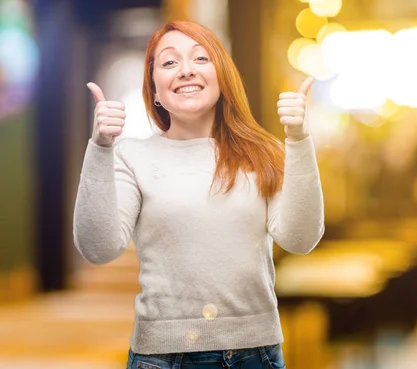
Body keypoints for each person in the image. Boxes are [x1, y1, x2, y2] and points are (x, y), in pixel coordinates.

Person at [73, 20, 324, 369]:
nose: (186, 70)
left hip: (256, 355)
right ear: (155, 91)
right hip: (160, 357)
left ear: (222, 77)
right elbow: (98, 248)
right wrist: (100, 148)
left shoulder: (263, 153)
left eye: (201, 58)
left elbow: (300, 239)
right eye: (169, 62)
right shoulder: (131, 155)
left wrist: (298, 139)